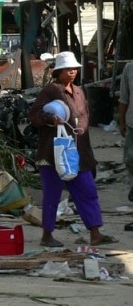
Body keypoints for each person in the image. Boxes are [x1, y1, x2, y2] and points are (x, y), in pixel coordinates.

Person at [29, 51, 117, 248]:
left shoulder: (79, 91)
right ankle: (47, 235)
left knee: (87, 190)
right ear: (58, 72)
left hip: (78, 152)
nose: (72, 72)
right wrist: (50, 119)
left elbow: (85, 116)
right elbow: (34, 115)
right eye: (67, 69)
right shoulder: (51, 90)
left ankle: (95, 233)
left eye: (74, 69)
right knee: (52, 194)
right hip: (53, 152)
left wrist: (83, 137)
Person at [117, 61, 133, 227]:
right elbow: (124, 98)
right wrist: (121, 122)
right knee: (129, 160)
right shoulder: (129, 68)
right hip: (132, 125)